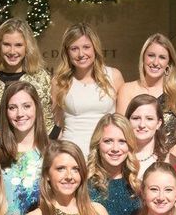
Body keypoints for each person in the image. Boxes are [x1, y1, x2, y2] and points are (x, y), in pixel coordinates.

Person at [0, 18, 52, 147]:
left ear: (27, 47)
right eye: (6, 44)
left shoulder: (41, 78)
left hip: (29, 156)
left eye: (18, 45)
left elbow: (48, 122)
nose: (12, 51)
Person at [50, 23, 123, 155]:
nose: (81, 54)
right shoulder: (59, 82)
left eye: (86, 47)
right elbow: (57, 123)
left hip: (108, 154)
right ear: (67, 52)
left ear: (95, 48)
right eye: (74, 48)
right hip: (71, 154)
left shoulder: (114, 76)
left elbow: (123, 121)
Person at [0, 80, 51, 215]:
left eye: (26, 106)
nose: (20, 113)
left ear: (36, 108)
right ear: (6, 113)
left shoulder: (51, 154)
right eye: (13, 107)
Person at [116, 33, 176, 143]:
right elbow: (121, 133)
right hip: (135, 157)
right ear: (143, 58)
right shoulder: (126, 90)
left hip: (171, 158)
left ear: (168, 64)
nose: (155, 62)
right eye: (151, 55)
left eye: (162, 57)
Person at [126, 93, 168, 177]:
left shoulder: (168, 159)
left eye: (149, 119)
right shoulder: (119, 157)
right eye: (136, 118)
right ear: (127, 121)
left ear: (158, 123)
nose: (142, 125)